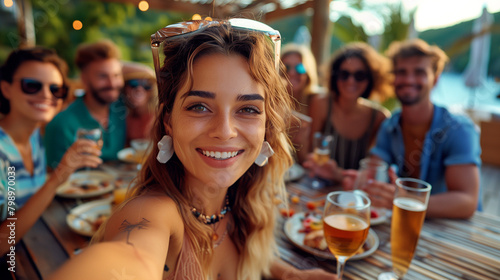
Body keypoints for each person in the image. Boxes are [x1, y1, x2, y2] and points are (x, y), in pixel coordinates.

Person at [49, 19, 335, 280]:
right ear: (167, 121)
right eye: (199, 106)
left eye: (248, 109)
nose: (224, 131)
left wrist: (290, 275)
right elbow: (129, 257)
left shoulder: (242, 205)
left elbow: (247, 255)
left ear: (266, 129)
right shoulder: (150, 213)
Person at [351, 39, 481, 219]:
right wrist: (357, 179)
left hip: (452, 231)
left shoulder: (458, 129)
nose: (409, 79)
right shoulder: (389, 126)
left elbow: (466, 202)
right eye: (401, 72)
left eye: (419, 72)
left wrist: (404, 200)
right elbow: (372, 172)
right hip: (402, 225)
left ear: (435, 79)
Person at [0, 47, 102, 256]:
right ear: (6, 88)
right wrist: (59, 176)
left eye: (56, 89)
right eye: (32, 85)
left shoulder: (35, 137)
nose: (46, 95)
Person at [302, 42, 392, 182]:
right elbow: (308, 152)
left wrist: (337, 174)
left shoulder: (379, 117)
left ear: (371, 79)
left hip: (352, 196)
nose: (351, 81)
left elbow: (372, 174)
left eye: (359, 75)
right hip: (316, 185)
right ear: (335, 76)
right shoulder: (321, 104)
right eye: (344, 74)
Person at [44, 40, 127, 168]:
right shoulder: (61, 125)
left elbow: (148, 77)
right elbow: (53, 177)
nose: (112, 84)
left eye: (116, 75)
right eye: (103, 76)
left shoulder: (121, 108)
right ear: (83, 79)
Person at [121, 61, 157, 144]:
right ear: (125, 88)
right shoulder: (123, 115)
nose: (139, 89)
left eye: (147, 85)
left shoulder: (159, 115)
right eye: (133, 83)